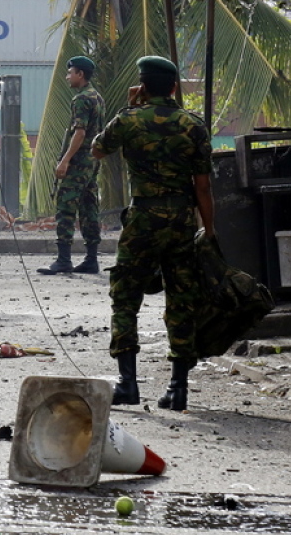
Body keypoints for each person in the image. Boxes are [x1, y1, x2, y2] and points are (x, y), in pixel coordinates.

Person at [92, 55, 215, 411]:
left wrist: (131, 107)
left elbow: (97, 149)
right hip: (180, 221)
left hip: (143, 219)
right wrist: (210, 230)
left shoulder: (129, 120)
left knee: (126, 296)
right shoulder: (193, 125)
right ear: (174, 87)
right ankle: (178, 388)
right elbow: (203, 187)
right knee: (181, 299)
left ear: (143, 87)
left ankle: (128, 384)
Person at [39, 56, 105, 275]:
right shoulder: (98, 97)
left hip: (77, 163)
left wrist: (65, 160)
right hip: (91, 163)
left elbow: (80, 133)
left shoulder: (81, 99)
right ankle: (91, 258)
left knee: (66, 208)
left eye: (70, 73)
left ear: (80, 75)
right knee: (89, 208)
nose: (67, 77)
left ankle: (64, 259)